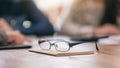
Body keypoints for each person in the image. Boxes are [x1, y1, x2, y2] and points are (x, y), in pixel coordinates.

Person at [55, 0, 120, 38]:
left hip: (100, 45)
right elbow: (63, 26)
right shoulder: (76, 2)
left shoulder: (112, 3)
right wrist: (94, 30)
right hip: (71, 43)